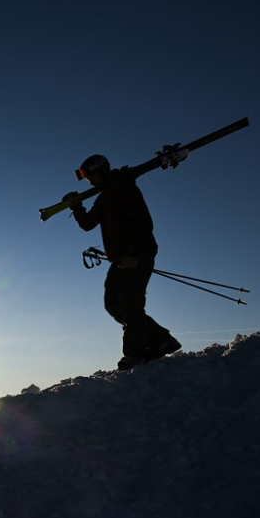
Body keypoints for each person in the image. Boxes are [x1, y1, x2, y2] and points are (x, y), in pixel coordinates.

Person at [63, 154, 181, 370]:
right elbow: (89, 223)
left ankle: (135, 354)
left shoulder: (124, 188)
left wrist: (135, 255)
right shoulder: (105, 196)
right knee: (113, 304)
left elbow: (144, 223)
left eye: (90, 176)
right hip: (120, 258)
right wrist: (76, 206)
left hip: (137, 255)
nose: (89, 181)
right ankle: (163, 339)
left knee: (130, 305)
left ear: (100, 172)